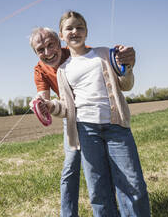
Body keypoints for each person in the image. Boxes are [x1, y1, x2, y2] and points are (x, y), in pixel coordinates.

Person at [44, 11, 150, 216]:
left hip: (116, 128)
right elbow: (66, 107)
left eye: (80, 27)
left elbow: (126, 85)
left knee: (133, 184)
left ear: (87, 31)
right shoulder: (63, 70)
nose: (75, 31)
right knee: (98, 190)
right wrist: (50, 106)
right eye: (69, 28)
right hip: (86, 131)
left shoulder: (103, 54)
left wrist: (127, 66)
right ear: (61, 35)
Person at [29, 27, 82, 216]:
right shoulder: (39, 69)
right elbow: (45, 98)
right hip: (70, 116)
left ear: (60, 42)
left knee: (102, 167)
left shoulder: (78, 53)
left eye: (51, 45)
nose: (48, 52)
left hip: (95, 114)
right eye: (40, 50)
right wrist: (39, 103)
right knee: (70, 167)